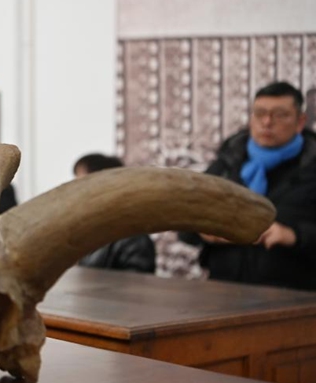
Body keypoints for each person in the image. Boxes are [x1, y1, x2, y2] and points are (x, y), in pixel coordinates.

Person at [180, 81, 316, 291]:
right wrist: (203, 229)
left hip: (293, 296)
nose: (267, 122)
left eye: (280, 115)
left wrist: (294, 235)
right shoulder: (227, 163)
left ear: (300, 121)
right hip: (223, 291)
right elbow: (183, 221)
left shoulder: (311, 167)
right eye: (260, 113)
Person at [73, 154, 156, 273]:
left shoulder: (133, 238)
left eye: (82, 185)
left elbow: (137, 286)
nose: (76, 192)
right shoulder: (85, 231)